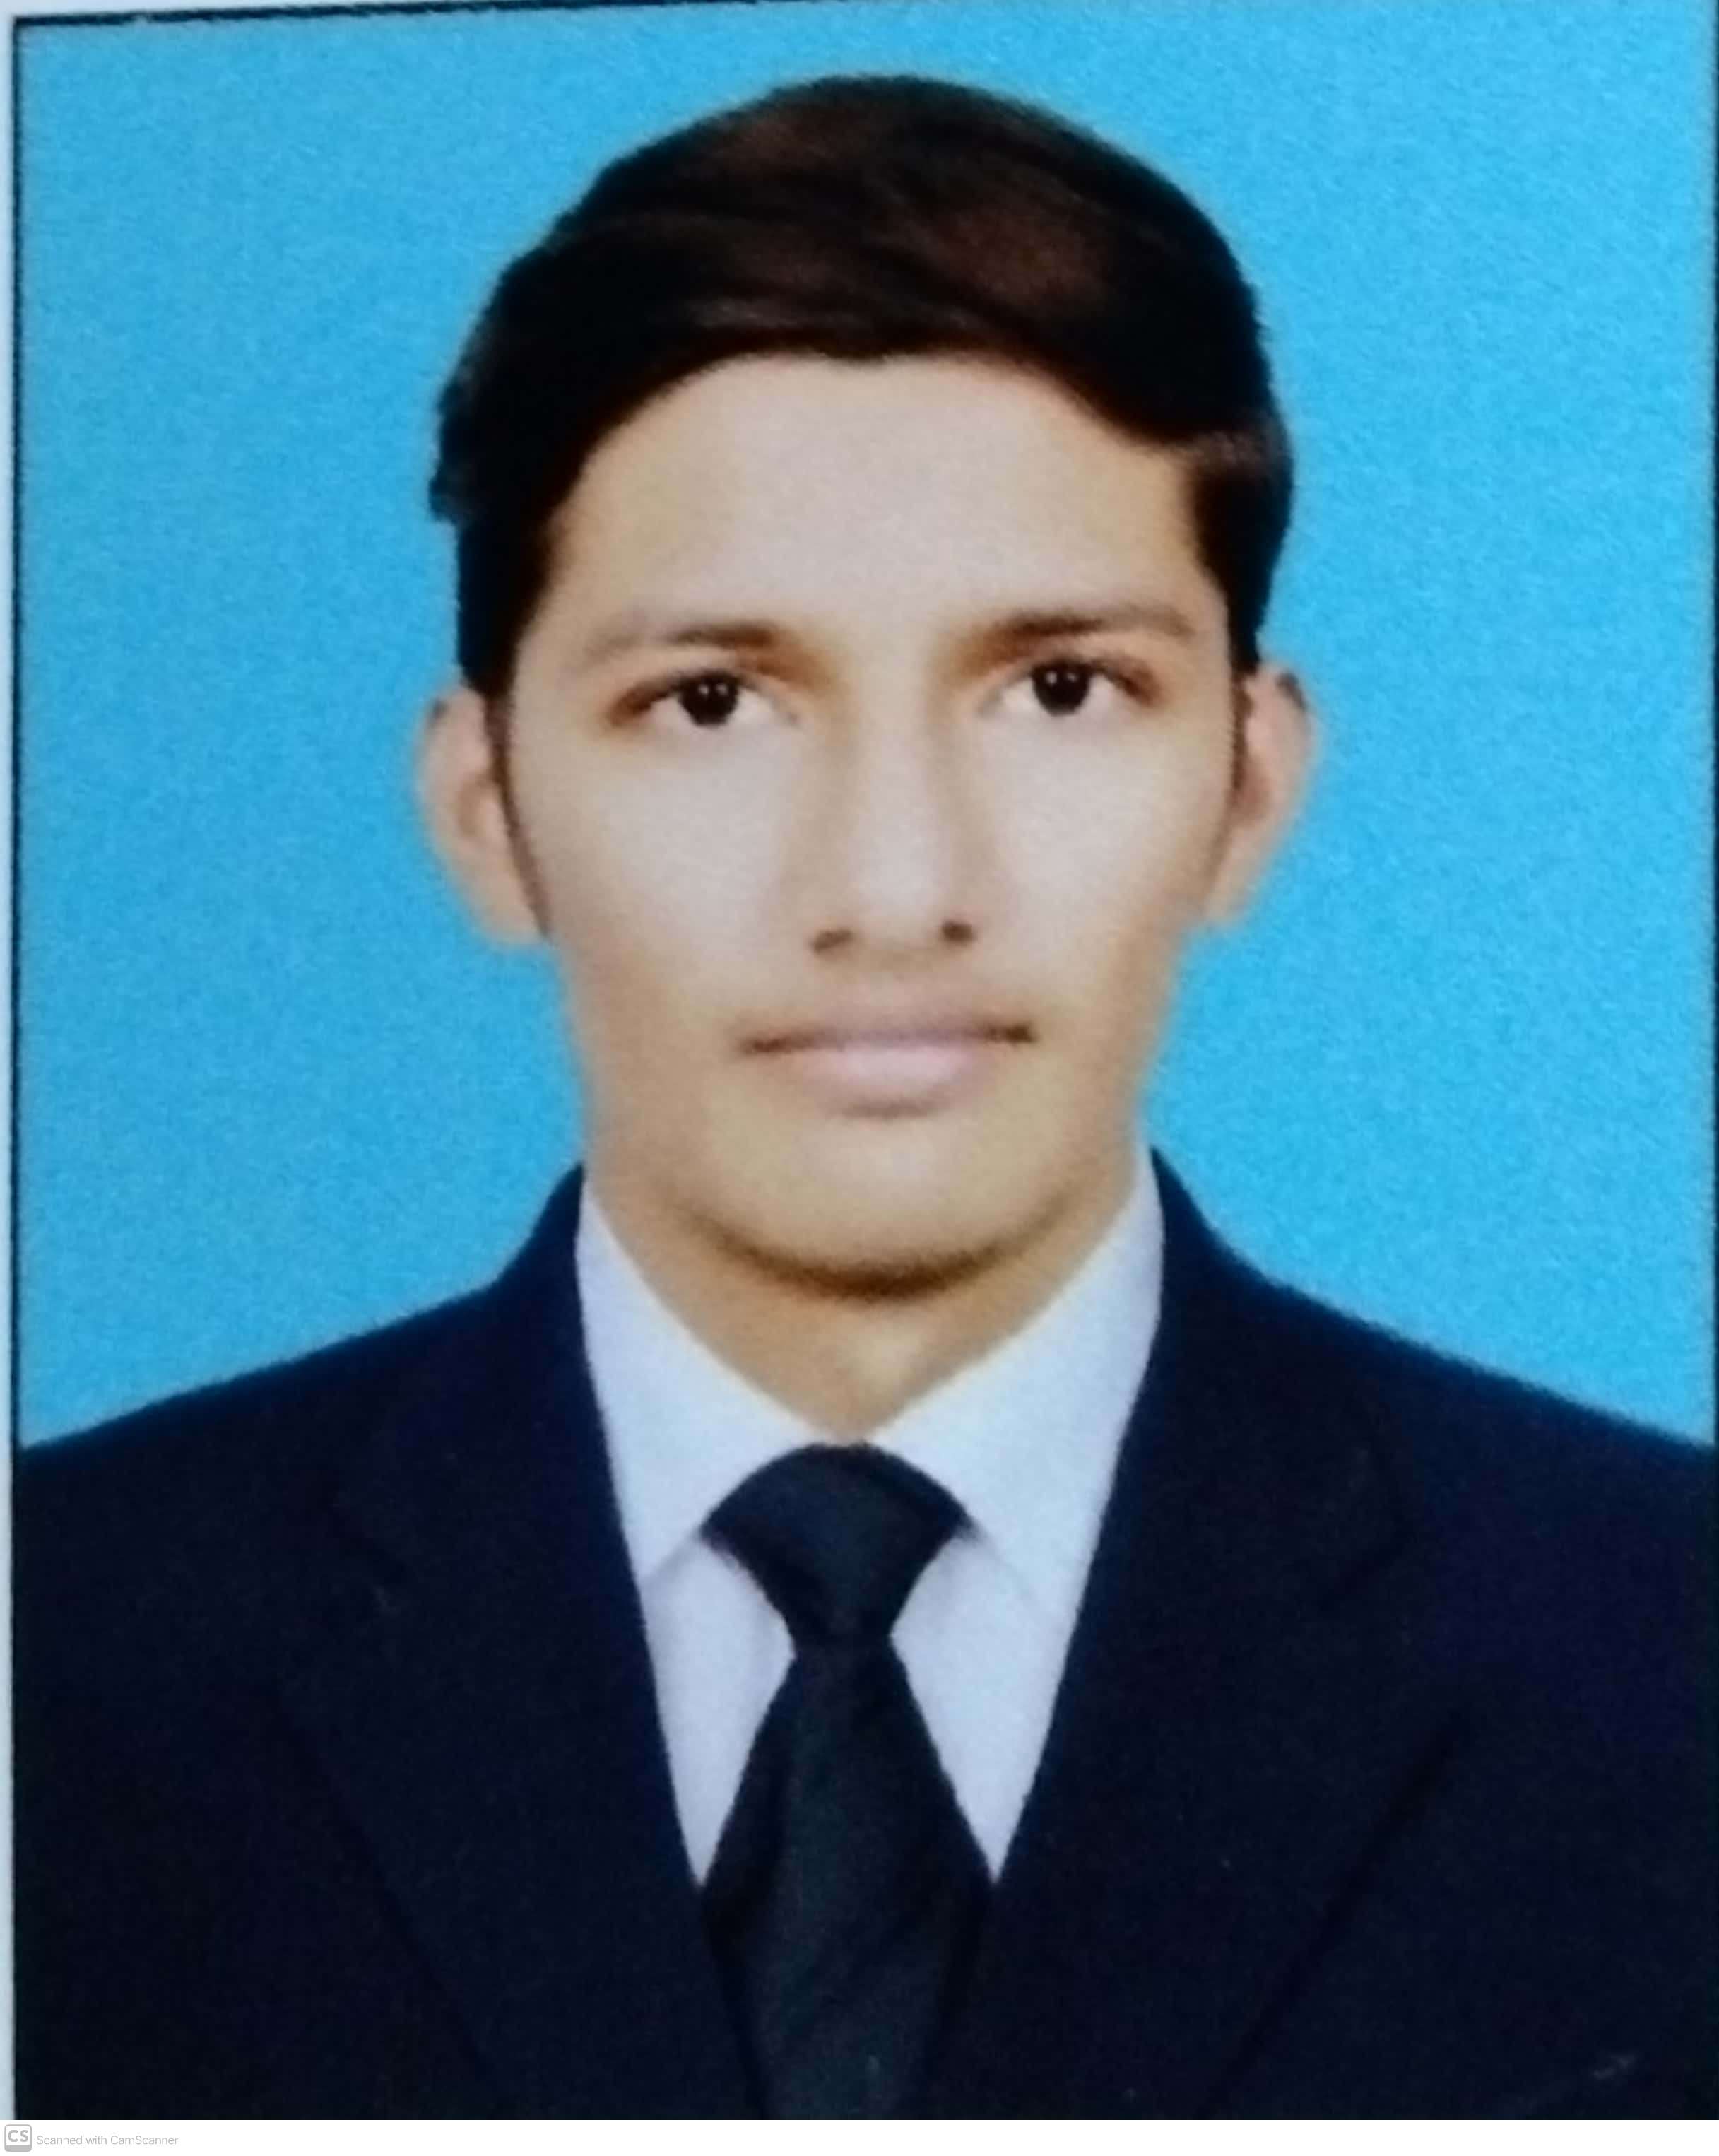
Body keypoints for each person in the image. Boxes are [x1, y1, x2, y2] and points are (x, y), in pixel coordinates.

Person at [13, 75, 1713, 2120]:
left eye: (1060, 688)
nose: (895, 889)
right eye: (713, 701)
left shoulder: (1665, 1644)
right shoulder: (61, 1646)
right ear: (486, 810)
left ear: (1249, 785)